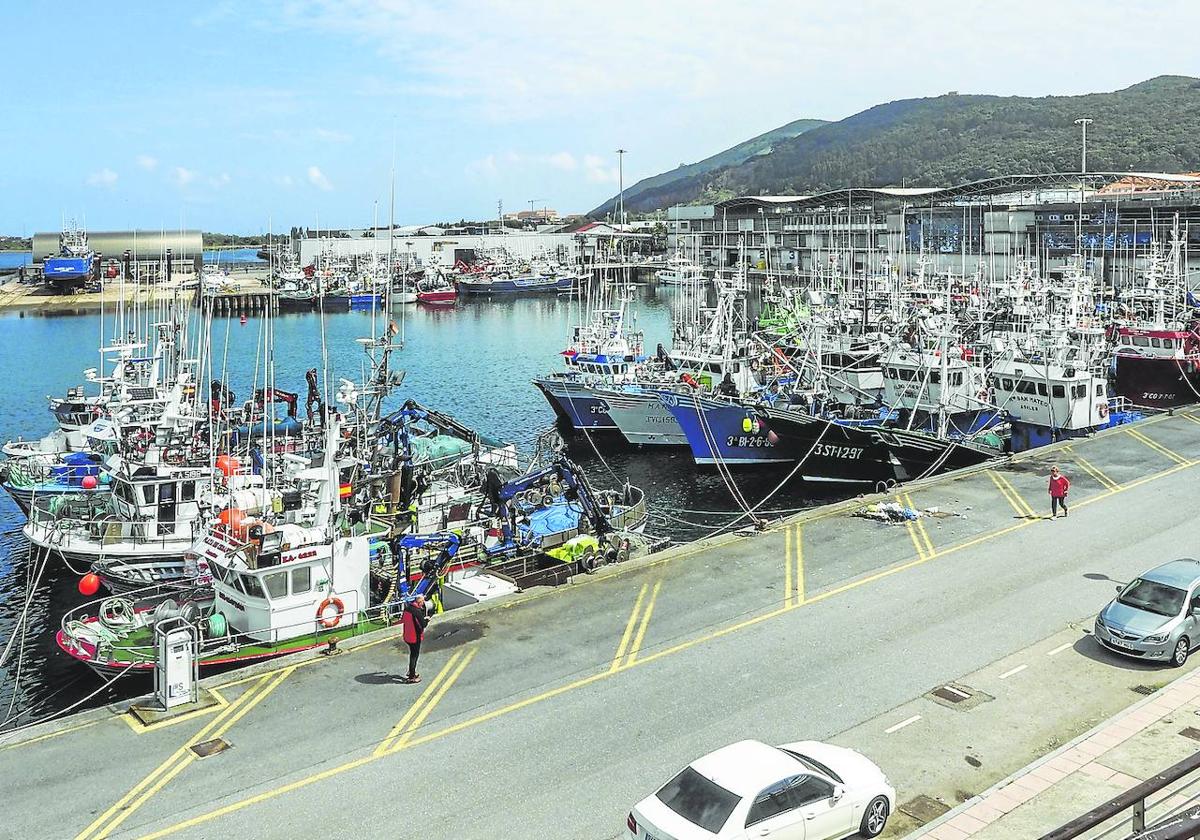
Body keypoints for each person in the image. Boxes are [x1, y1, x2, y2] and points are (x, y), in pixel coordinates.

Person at [400, 595, 428, 683]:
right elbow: (423, 625)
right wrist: (427, 620)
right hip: (415, 637)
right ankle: (412, 676)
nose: (423, 603)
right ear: (419, 602)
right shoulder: (417, 612)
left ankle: (411, 671)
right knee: (414, 656)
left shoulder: (407, 609)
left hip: (407, 636)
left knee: (412, 654)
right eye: (423, 602)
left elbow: (403, 620)